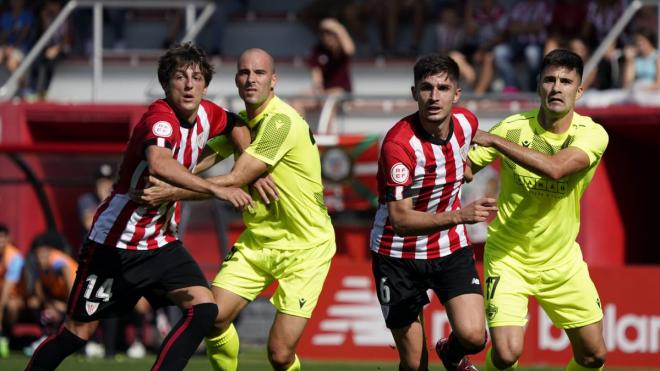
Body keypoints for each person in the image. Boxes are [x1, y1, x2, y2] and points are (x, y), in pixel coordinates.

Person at [24, 42, 254, 371]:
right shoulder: (159, 118)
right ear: (166, 83)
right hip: (114, 245)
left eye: (197, 77)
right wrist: (219, 188)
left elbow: (237, 126)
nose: (189, 85)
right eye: (180, 77)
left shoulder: (208, 113)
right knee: (77, 333)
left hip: (161, 242)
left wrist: (246, 165)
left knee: (204, 309)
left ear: (205, 84)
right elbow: (159, 162)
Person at [137, 48, 336, 371]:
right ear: (236, 80)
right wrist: (169, 171)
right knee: (212, 318)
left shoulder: (280, 122)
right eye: (244, 73)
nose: (250, 79)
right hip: (259, 242)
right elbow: (202, 163)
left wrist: (171, 191)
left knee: (280, 354)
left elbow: (237, 178)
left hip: (306, 247)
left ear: (273, 81)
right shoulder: (241, 123)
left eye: (259, 73)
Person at [468, 49, 609, 371]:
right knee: (505, 354)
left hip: (562, 262)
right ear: (538, 86)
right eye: (549, 80)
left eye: (565, 81)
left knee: (593, 355)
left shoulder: (592, 134)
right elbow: (463, 170)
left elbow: (557, 169)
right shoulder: (513, 127)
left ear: (579, 90)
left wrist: (495, 142)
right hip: (508, 257)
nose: (556, 87)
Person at [369, 54, 497, 371]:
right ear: (415, 93)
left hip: (449, 248)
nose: (434, 96)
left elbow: (464, 148)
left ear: (457, 95)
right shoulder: (399, 145)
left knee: (474, 337)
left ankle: (451, 353)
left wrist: (465, 168)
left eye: (443, 88)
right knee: (414, 365)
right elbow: (401, 220)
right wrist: (460, 216)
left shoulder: (467, 122)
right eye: (426, 88)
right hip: (397, 254)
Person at [0, 224, 25, 358]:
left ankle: (5, 336)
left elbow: (8, 289)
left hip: (16, 297)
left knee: (11, 305)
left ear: (8, 239)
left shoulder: (14, 258)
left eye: (2, 239)